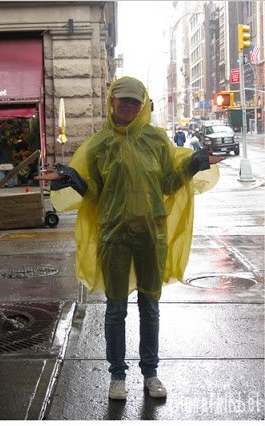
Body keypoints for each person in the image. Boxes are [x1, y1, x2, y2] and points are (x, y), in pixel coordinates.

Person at [36, 76, 223, 401]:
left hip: (150, 236)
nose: (128, 106)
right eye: (122, 100)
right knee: (116, 310)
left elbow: (168, 183)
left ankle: (151, 374)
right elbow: (92, 191)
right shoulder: (100, 144)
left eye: (135, 101)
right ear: (112, 103)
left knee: (149, 308)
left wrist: (195, 163)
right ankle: (117, 377)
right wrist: (70, 176)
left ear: (143, 105)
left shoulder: (157, 140)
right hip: (114, 238)